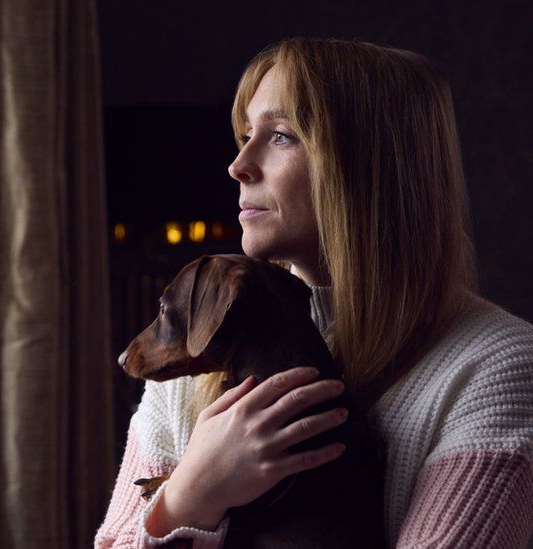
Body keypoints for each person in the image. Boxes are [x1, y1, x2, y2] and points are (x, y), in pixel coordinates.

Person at [94, 37, 533, 548]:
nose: (238, 165)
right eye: (244, 134)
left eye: (280, 136)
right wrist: (190, 496)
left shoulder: (498, 369)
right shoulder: (198, 354)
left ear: (372, 164)